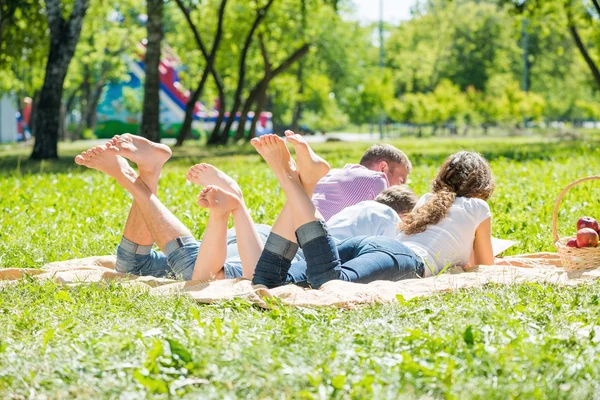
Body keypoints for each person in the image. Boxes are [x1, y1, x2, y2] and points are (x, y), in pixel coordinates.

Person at [250, 134, 494, 289]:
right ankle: (298, 182)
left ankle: (301, 184)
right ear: (481, 185)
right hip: (403, 258)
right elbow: (484, 266)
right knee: (330, 282)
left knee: (267, 280)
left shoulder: (428, 199)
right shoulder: (478, 207)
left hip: (372, 245)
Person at [74, 134, 265, 282]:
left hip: (245, 244)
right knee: (197, 275)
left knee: (130, 267)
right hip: (256, 243)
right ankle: (127, 176)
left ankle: (147, 171)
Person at [311, 141, 412, 221]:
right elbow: (391, 224)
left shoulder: (332, 174)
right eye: (400, 181)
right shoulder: (378, 179)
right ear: (383, 168)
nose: (401, 188)